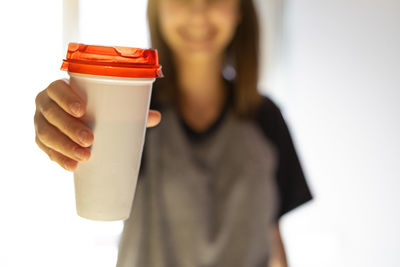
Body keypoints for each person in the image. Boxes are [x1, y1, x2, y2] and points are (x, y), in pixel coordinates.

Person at [34, 0, 312, 266]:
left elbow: (271, 235)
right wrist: (61, 120)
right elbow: (86, 157)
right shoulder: (135, 110)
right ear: (157, 9)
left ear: (240, 9)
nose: (198, 11)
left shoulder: (266, 119)